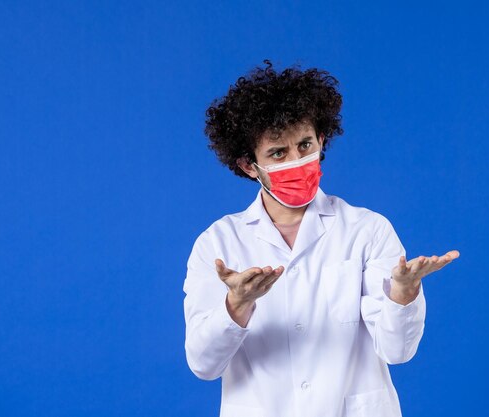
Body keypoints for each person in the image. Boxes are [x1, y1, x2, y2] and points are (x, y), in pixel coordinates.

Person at [183, 59, 460, 417]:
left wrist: (403, 295)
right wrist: (236, 305)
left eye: (305, 145)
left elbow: (397, 351)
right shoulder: (218, 244)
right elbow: (203, 364)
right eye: (278, 153)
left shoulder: (367, 230)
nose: (296, 160)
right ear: (249, 166)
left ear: (322, 140)